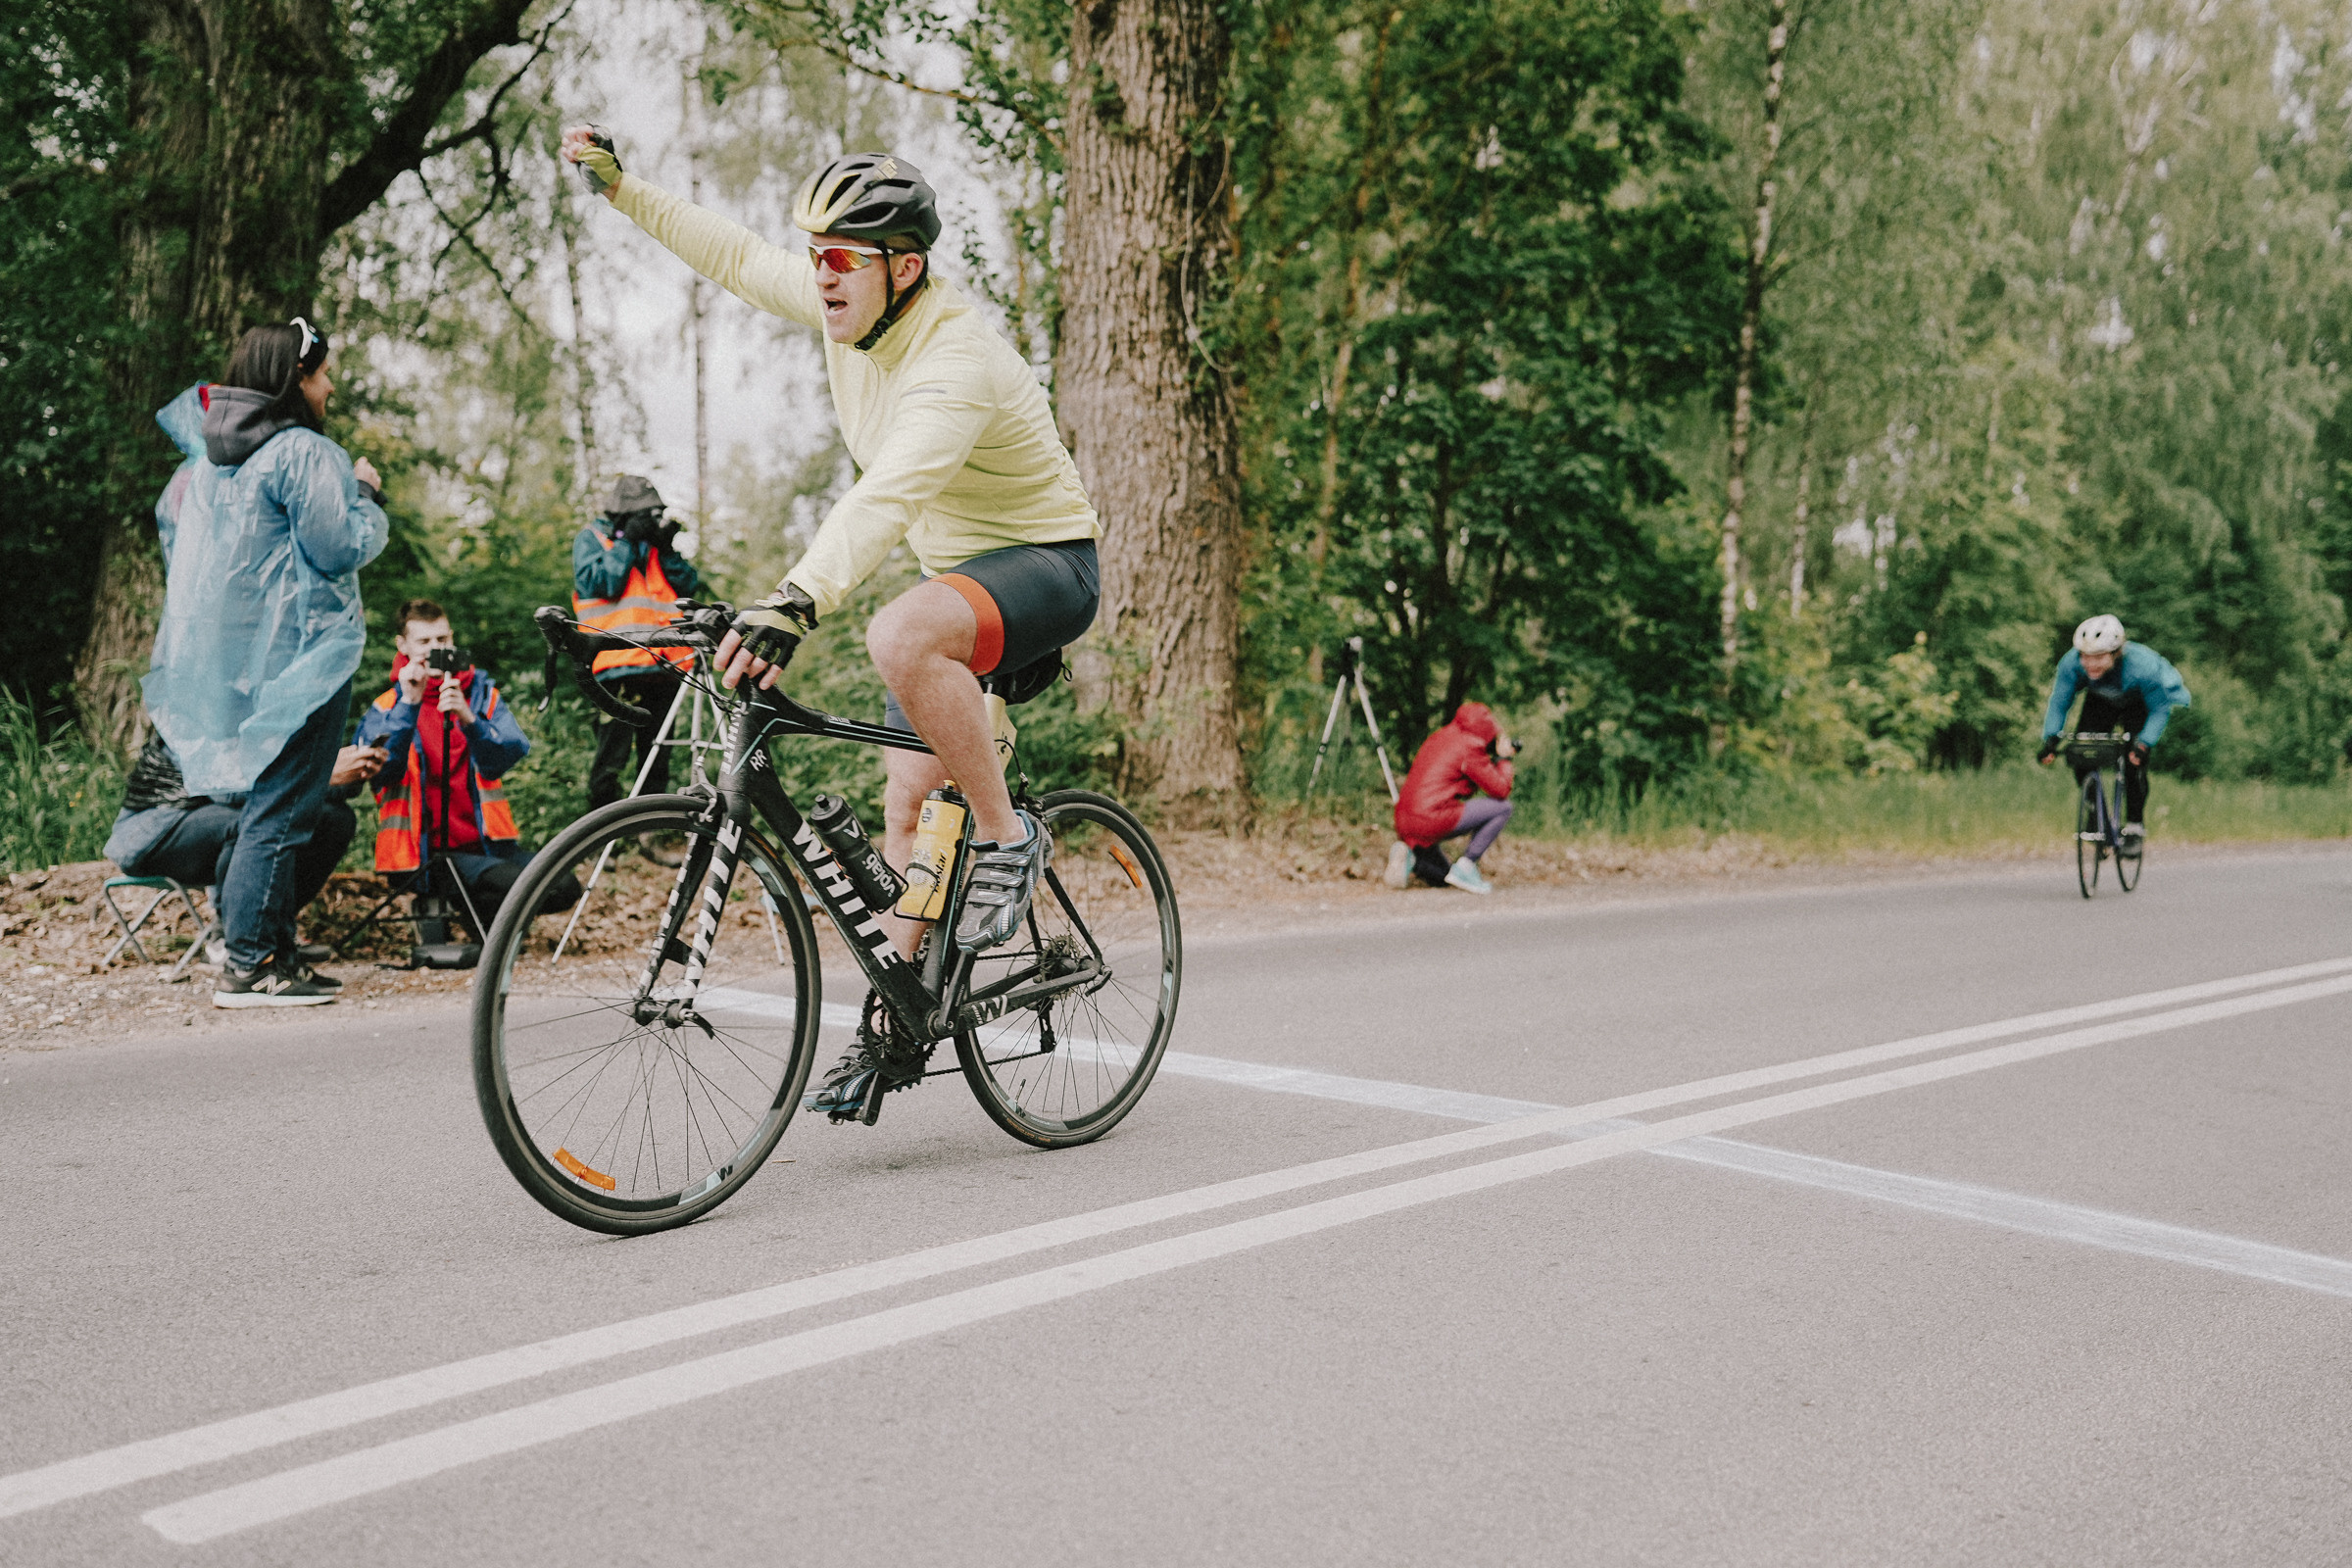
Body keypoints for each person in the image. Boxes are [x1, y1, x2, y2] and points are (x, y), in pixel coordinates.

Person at [562, 126, 1101, 1122]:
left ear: (906, 267)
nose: (820, 275)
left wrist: (796, 600)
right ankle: (902, 1021)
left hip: (1049, 566)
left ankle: (1008, 835)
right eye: (814, 256)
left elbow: (889, 494)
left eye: (840, 258)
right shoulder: (841, 312)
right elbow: (730, 254)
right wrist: (624, 188)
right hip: (964, 576)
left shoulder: (957, 358)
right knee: (904, 799)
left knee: (897, 637)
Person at [144, 319, 388, 1007]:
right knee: (283, 809)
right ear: (294, 378)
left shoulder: (207, 461)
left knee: (272, 803)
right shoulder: (302, 452)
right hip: (301, 662)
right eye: (323, 373)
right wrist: (364, 494)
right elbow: (338, 547)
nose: (332, 386)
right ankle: (251, 964)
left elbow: (180, 540)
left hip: (236, 666)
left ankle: (274, 951)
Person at [352, 600, 579, 935]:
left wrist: (469, 719)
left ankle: (482, 917)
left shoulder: (480, 695)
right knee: (520, 885)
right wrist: (410, 704)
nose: (435, 650)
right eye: (424, 642)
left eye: (442, 640)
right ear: (403, 645)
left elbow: (508, 754)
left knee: (563, 885)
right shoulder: (387, 706)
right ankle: (477, 915)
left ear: (453, 639)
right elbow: (382, 771)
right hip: (425, 855)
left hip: (489, 847)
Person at [104, 728, 383, 964]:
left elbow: (290, 787)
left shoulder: (265, 719)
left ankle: (272, 930)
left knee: (333, 818)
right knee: (254, 825)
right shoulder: (196, 715)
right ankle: (233, 936)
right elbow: (230, 791)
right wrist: (321, 773)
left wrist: (353, 772)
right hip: (155, 832)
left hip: (217, 821)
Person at [573, 474, 702, 814]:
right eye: (643, 513)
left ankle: (649, 832)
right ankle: (601, 838)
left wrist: (667, 549)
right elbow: (603, 582)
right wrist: (627, 543)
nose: (649, 519)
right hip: (616, 666)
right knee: (610, 758)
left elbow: (687, 586)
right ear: (622, 513)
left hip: (662, 666)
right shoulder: (593, 539)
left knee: (657, 756)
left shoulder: (653, 546)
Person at [2035, 613, 2192, 841]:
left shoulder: (2143, 667)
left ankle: (2135, 826)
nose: (2090, 663)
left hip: (2137, 703)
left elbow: (2159, 710)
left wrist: (2144, 744)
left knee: (2134, 762)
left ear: (2116, 652)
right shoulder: (2071, 664)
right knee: (2083, 752)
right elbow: (2060, 702)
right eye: (2085, 657)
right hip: (2100, 701)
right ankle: (2096, 816)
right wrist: (2051, 738)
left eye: (2098, 657)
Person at [1388, 703, 1517, 895]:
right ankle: (1467, 865)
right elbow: (1500, 789)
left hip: (1404, 820)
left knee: (1444, 876)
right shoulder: (1470, 748)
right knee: (1503, 808)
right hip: (1430, 818)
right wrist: (1503, 759)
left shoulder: (1443, 735)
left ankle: (1411, 858)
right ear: (1488, 732)